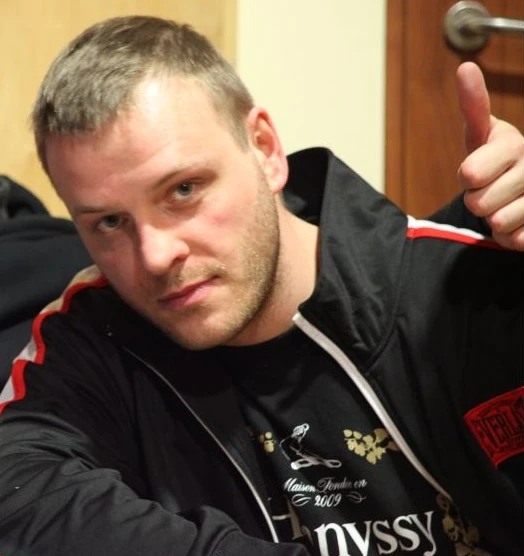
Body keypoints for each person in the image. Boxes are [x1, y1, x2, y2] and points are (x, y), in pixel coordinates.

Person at [0, 16, 522, 556]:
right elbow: (18, 494)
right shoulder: (93, 336)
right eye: (109, 222)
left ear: (266, 150)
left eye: (183, 190)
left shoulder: (459, 290)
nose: (155, 257)